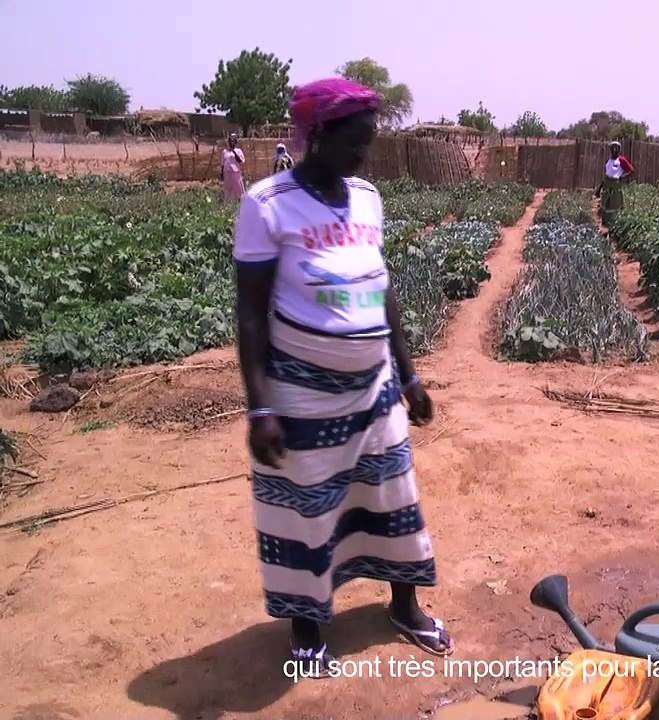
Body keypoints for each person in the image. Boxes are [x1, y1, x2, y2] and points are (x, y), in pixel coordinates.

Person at [232, 77, 453, 673]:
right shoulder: (267, 204)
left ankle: (403, 605)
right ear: (317, 135)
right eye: (354, 143)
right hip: (301, 395)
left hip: (375, 390)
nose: (363, 155)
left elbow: (382, 294)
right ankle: (309, 627)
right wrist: (260, 407)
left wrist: (408, 376)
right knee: (309, 509)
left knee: (391, 498)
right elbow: (250, 315)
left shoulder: (366, 197)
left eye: (368, 144)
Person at [595, 141, 633, 228]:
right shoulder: (609, 161)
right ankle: (604, 224)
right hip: (607, 184)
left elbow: (631, 171)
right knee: (605, 204)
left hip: (615, 185)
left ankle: (614, 225)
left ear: (619, 150)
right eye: (613, 149)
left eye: (616, 149)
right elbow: (607, 175)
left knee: (614, 204)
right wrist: (599, 189)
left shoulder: (621, 160)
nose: (614, 150)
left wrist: (622, 177)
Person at [221, 132, 246, 203]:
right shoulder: (224, 151)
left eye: (233, 141)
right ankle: (228, 204)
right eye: (230, 141)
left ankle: (241, 202)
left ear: (235, 142)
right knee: (228, 189)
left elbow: (240, 160)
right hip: (227, 172)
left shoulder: (238, 151)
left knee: (238, 188)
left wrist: (234, 152)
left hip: (235, 172)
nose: (231, 143)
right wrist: (222, 173)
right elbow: (222, 163)